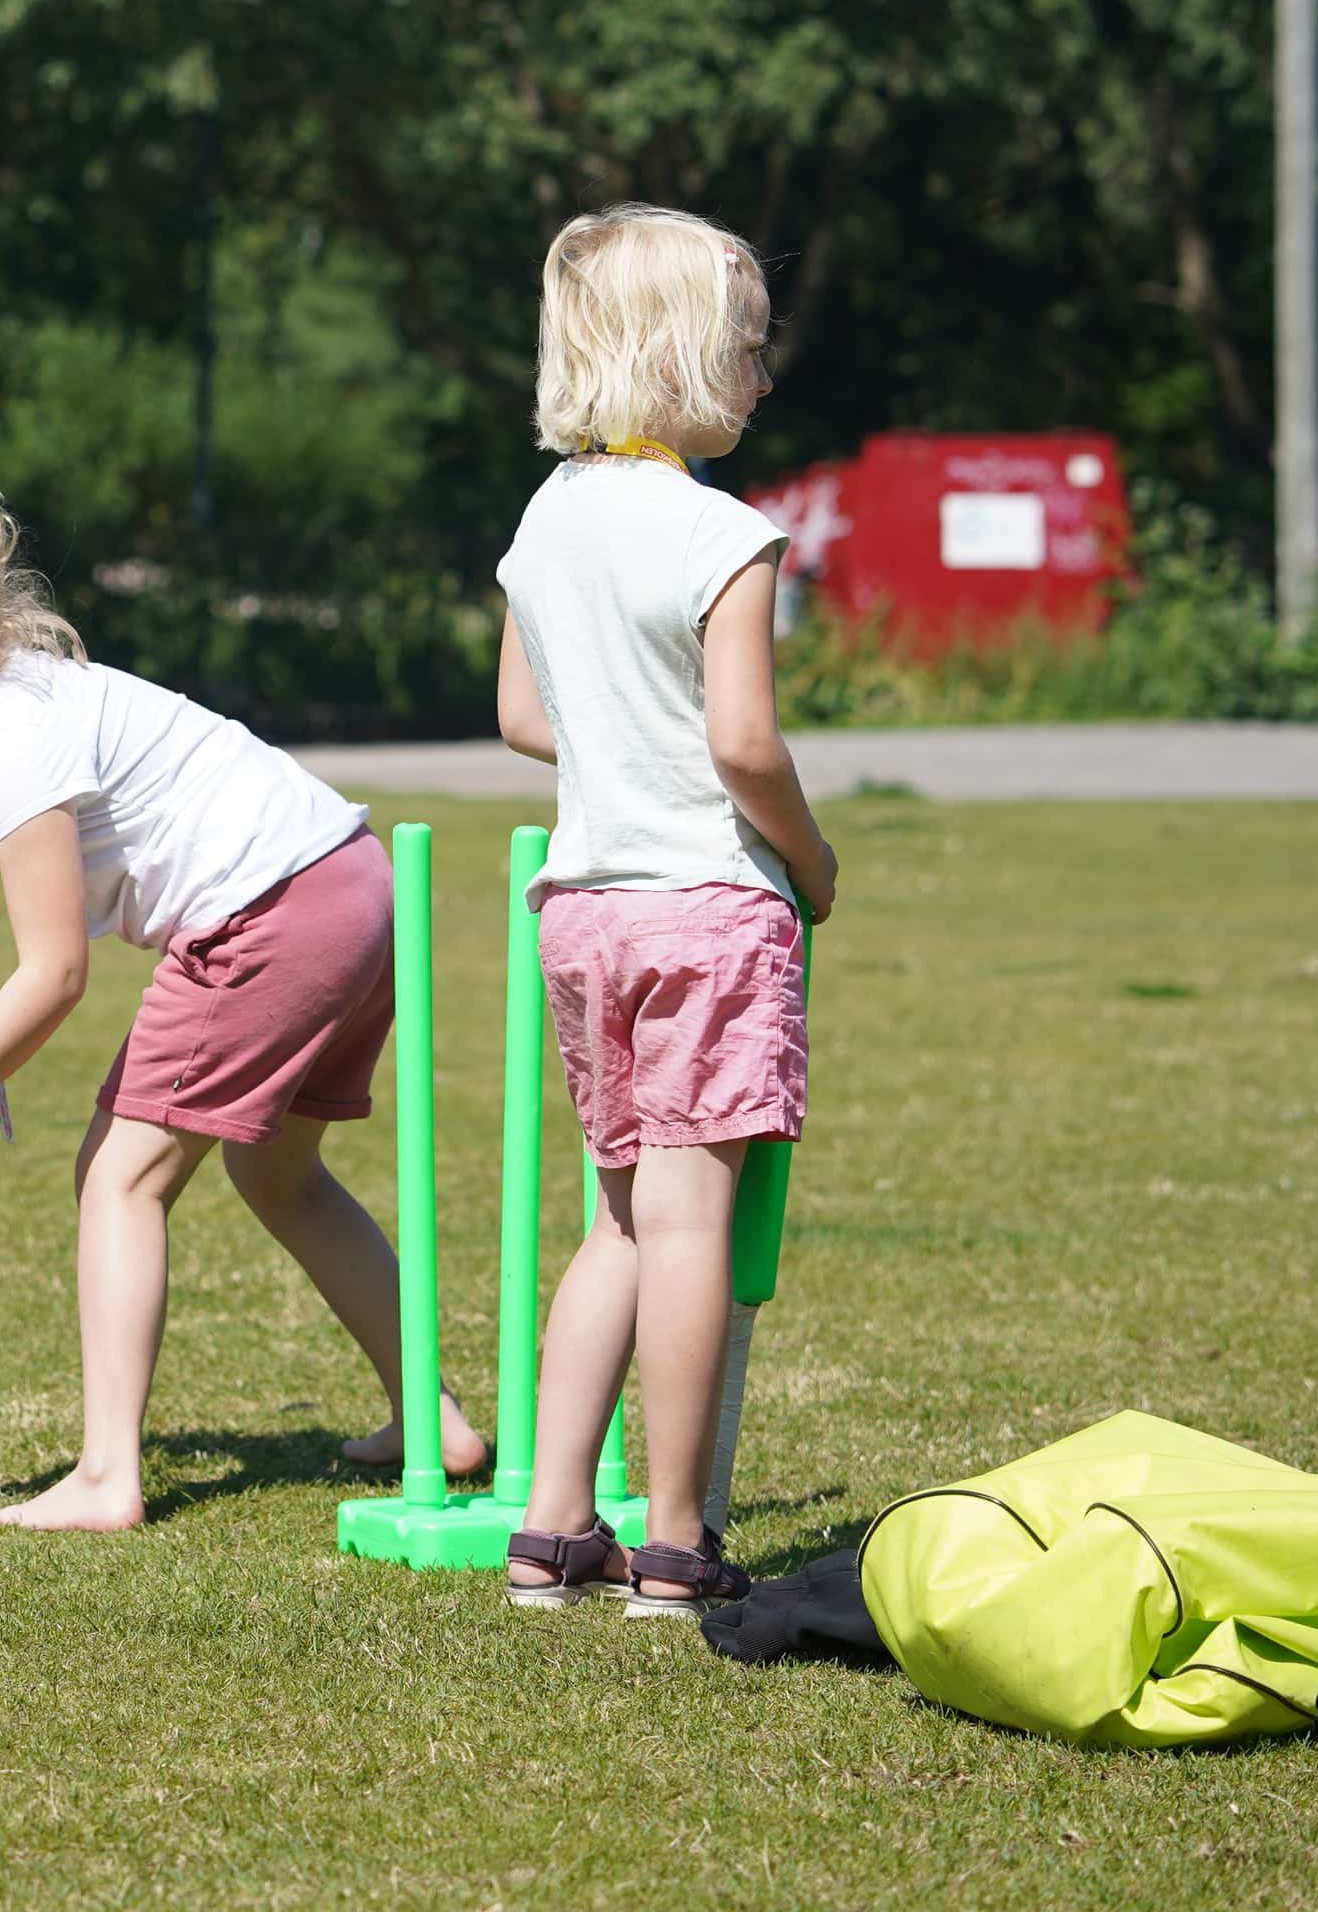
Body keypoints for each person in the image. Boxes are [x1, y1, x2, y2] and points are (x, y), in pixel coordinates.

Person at [0, 479, 484, 1533]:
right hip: (348, 882)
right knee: (276, 1172)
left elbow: (54, 973)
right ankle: (434, 1419)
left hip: (271, 913)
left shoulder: (15, 733)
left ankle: (109, 1475)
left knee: (119, 1177)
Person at [490, 204, 837, 1616]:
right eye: (749, 347)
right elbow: (746, 746)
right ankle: (677, 1541)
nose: (762, 375)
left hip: (583, 910)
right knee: (692, 1232)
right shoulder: (725, 536)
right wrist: (812, 863)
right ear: (689, 355)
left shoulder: (544, 517)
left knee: (621, 1224)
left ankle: (554, 1524)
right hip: (707, 906)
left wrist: (621, 747)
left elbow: (521, 713)